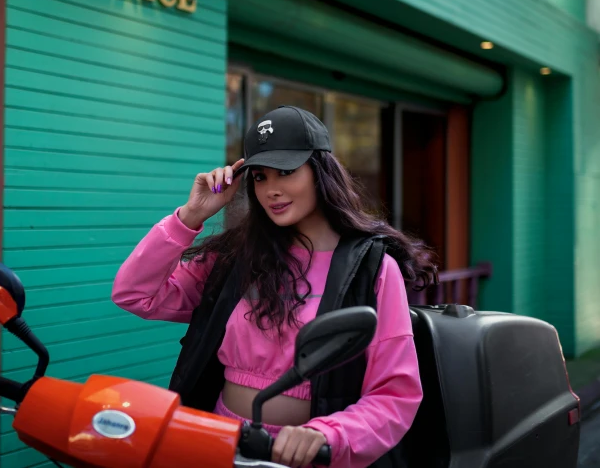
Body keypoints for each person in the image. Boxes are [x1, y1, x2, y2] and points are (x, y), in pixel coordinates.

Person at [112, 105, 437, 468]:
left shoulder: (372, 269)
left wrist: (328, 434)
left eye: (286, 172)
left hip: (311, 455)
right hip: (219, 443)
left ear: (320, 172)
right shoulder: (237, 258)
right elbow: (135, 294)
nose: (272, 190)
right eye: (260, 177)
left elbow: (395, 394)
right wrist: (191, 215)